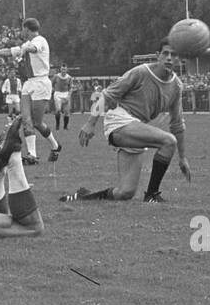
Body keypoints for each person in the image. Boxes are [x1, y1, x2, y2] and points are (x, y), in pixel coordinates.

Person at [69, 37, 192, 202]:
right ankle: (152, 195)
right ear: (158, 55)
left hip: (136, 127)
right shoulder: (141, 72)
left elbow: (177, 123)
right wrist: (90, 123)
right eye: (165, 53)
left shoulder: (176, 85)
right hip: (119, 121)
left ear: (179, 59)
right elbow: (107, 94)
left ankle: (83, 196)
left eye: (174, 54)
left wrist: (182, 158)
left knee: (125, 193)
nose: (169, 58)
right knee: (168, 141)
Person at [0, 17, 59, 165]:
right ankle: (32, 155)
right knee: (26, 120)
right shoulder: (27, 43)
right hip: (29, 83)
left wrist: (24, 49)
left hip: (41, 83)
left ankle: (55, 146)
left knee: (37, 122)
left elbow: (33, 48)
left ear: (27, 29)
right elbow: (10, 51)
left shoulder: (40, 40)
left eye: (23, 29)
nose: (21, 31)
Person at [51, 65, 73, 130]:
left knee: (66, 111)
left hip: (66, 94)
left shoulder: (69, 78)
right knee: (58, 110)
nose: (63, 71)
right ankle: (57, 125)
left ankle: (65, 127)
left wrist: (69, 96)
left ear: (67, 70)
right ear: (60, 70)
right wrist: (53, 91)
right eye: (62, 69)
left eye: (64, 69)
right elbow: (51, 84)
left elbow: (71, 88)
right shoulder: (56, 76)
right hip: (58, 94)